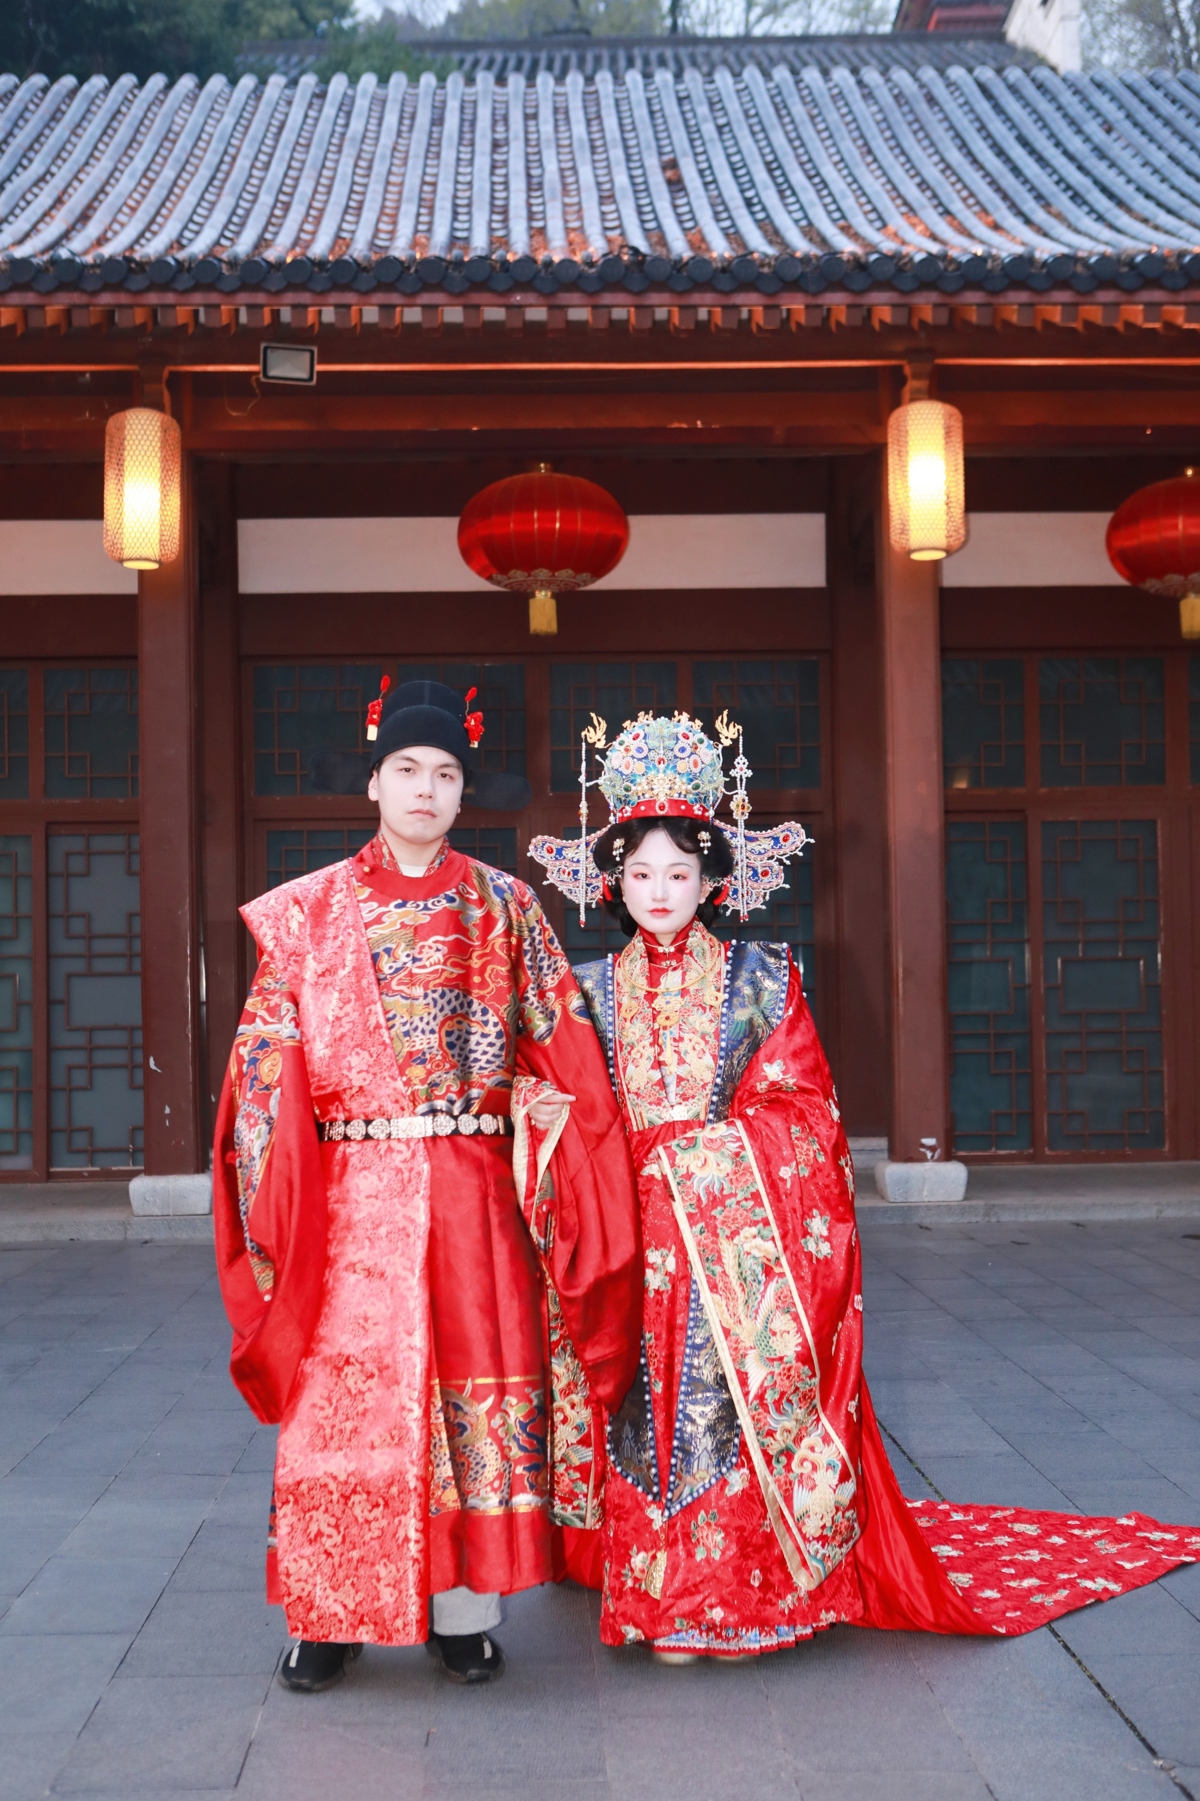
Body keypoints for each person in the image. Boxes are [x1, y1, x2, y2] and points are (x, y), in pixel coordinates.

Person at [530, 712, 1200, 1659]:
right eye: (641, 873)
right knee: (642, 1406)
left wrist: (703, 1161)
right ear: (614, 880)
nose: (661, 891)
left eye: (680, 873)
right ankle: (646, 1581)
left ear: (714, 878)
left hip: (732, 1242)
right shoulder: (586, 990)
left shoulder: (763, 978)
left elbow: (803, 1111)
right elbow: (555, 1100)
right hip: (627, 1234)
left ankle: (725, 1595)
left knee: (724, 1405)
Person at [213, 680, 642, 1691]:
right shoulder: (309, 911)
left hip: (472, 1193)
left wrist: (559, 1153)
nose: (426, 789)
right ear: (373, 782)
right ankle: (330, 1612)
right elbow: (261, 1061)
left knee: (473, 1394)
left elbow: (564, 1055)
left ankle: (463, 1612)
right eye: (406, 769)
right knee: (341, 1403)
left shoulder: (507, 906)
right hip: (347, 1202)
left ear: (462, 791)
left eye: (446, 773)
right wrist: (278, 1173)